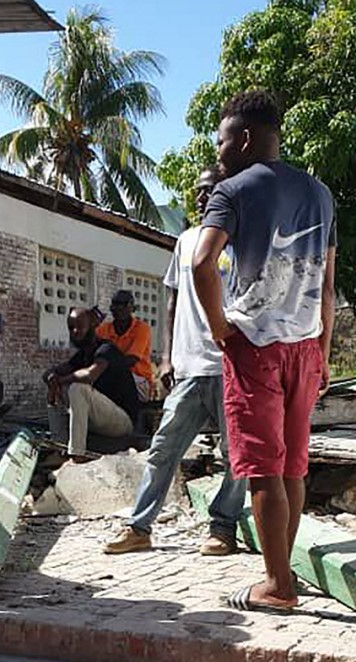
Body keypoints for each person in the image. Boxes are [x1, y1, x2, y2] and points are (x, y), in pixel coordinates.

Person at [192, 90, 336, 613]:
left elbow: (201, 263)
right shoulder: (320, 194)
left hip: (255, 348)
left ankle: (277, 586)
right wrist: (321, 350)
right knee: (294, 469)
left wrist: (218, 328)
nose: (220, 148)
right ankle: (283, 571)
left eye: (224, 138)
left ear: (246, 138)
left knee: (263, 472)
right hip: (304, 348)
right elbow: (328, 287)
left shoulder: (231, 191)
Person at [104, 167, 248, 556]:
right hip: (188, 368)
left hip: (229, 366)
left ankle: (223, 527)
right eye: (200, 191)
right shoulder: (185, 241)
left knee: (235, 454)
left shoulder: (241, 241)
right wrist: (166, 357)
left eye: (212, 190)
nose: (203, 198)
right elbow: (171, 299)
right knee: (164, 447)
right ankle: (139, 527)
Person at [45, 308, 139, 460]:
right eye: (71, 327)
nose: (75, 331)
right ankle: (59, 447)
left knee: (77, 388)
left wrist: (62, 379)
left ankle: (77, 454)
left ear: (92, 326)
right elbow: (58, 371)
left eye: (80, 326)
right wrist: (52, 378)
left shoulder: (107, 349)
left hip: (123, 421)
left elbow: (89, 375)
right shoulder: (82, 354)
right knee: (56, 387)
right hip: (100, 418)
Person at [96, 290, 155, 402]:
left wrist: (102, 368)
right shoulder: (102, 330)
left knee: (112, 379)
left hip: (139, 380)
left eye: (123, 305)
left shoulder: (142, 328)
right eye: (116, 304)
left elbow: (131, 360)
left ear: (132, 308)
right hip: (110, 377)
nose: (119, 309)